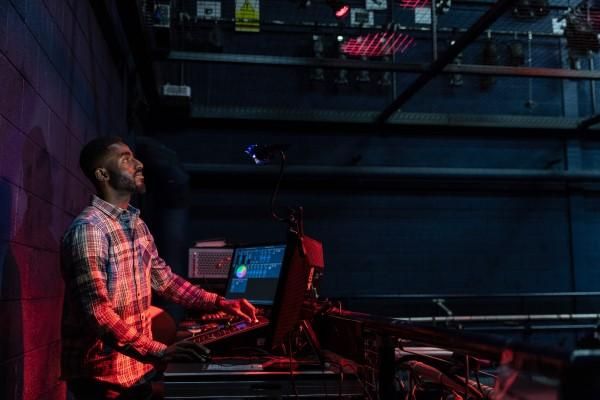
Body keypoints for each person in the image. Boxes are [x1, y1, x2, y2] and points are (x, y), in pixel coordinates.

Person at [60, 136, 257, 399]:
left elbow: (164, 280)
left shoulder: (136, 225)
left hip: (135, 369)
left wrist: (221, 303)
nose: (139, 164)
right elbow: (98, 314)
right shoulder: (89, 231)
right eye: (126, 159)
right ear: (102, 173)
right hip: (103, 378)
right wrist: (160, 351)